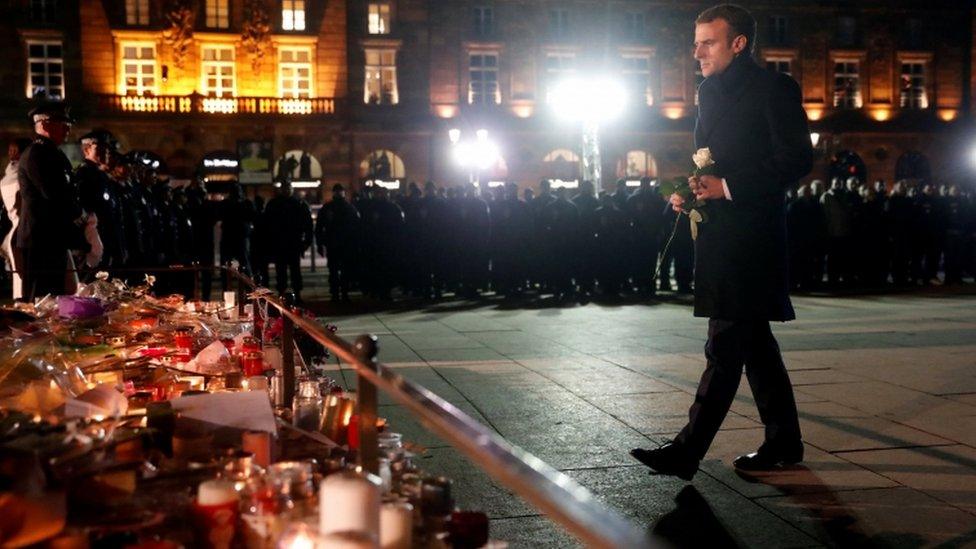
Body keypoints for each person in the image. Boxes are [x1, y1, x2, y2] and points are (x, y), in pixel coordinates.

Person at [631, 4, 812, 480]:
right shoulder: (708, 93)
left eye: (708, 42)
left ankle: (685, 452)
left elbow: (796, 159)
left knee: (725, 345)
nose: (696, 52)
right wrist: (689, 189)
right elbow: (706, 161)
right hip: (718, 235)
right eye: (695, 42)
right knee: (755, 347)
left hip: (751, 240)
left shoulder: (774, 88)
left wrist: (729, 187)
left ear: (738, 43)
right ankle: (784, 442)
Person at [16, 102, 91, 300]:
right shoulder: (37, 154)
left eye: (68, 123)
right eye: (61, 123)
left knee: (56, 297)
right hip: (40, 238)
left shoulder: (53, 153)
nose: (68, 128)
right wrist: (79, 216)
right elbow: (54, 194)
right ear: (44, 124)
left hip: (52, 237)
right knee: (41, 300)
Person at [263, 179, 313, 301]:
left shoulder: (280, 203)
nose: (287, 190)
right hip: (284, 242)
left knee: (292, 270)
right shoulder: (296, 203)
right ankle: (284, 292)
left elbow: (308, 224)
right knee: (283, 270)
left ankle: (292, 292)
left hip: (290, 242)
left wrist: (307, 241)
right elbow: (267, 225)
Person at [316, 184, 360, 302]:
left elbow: (356, 228)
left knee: (343, 270)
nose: (339, 194)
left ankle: (342, 293)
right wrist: (320, 244)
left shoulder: (348, 208)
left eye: (340, 192)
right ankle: (337, 293)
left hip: (343, 244)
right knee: (335, 271)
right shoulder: (331, 208)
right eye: (337, 192)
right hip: (335, 244)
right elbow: (320, 227)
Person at [1, 138, 32, 299]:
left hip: (15, 230)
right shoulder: (22, 177)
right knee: (27, 281)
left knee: (20, 279)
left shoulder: (6, 178)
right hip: (25, 230)